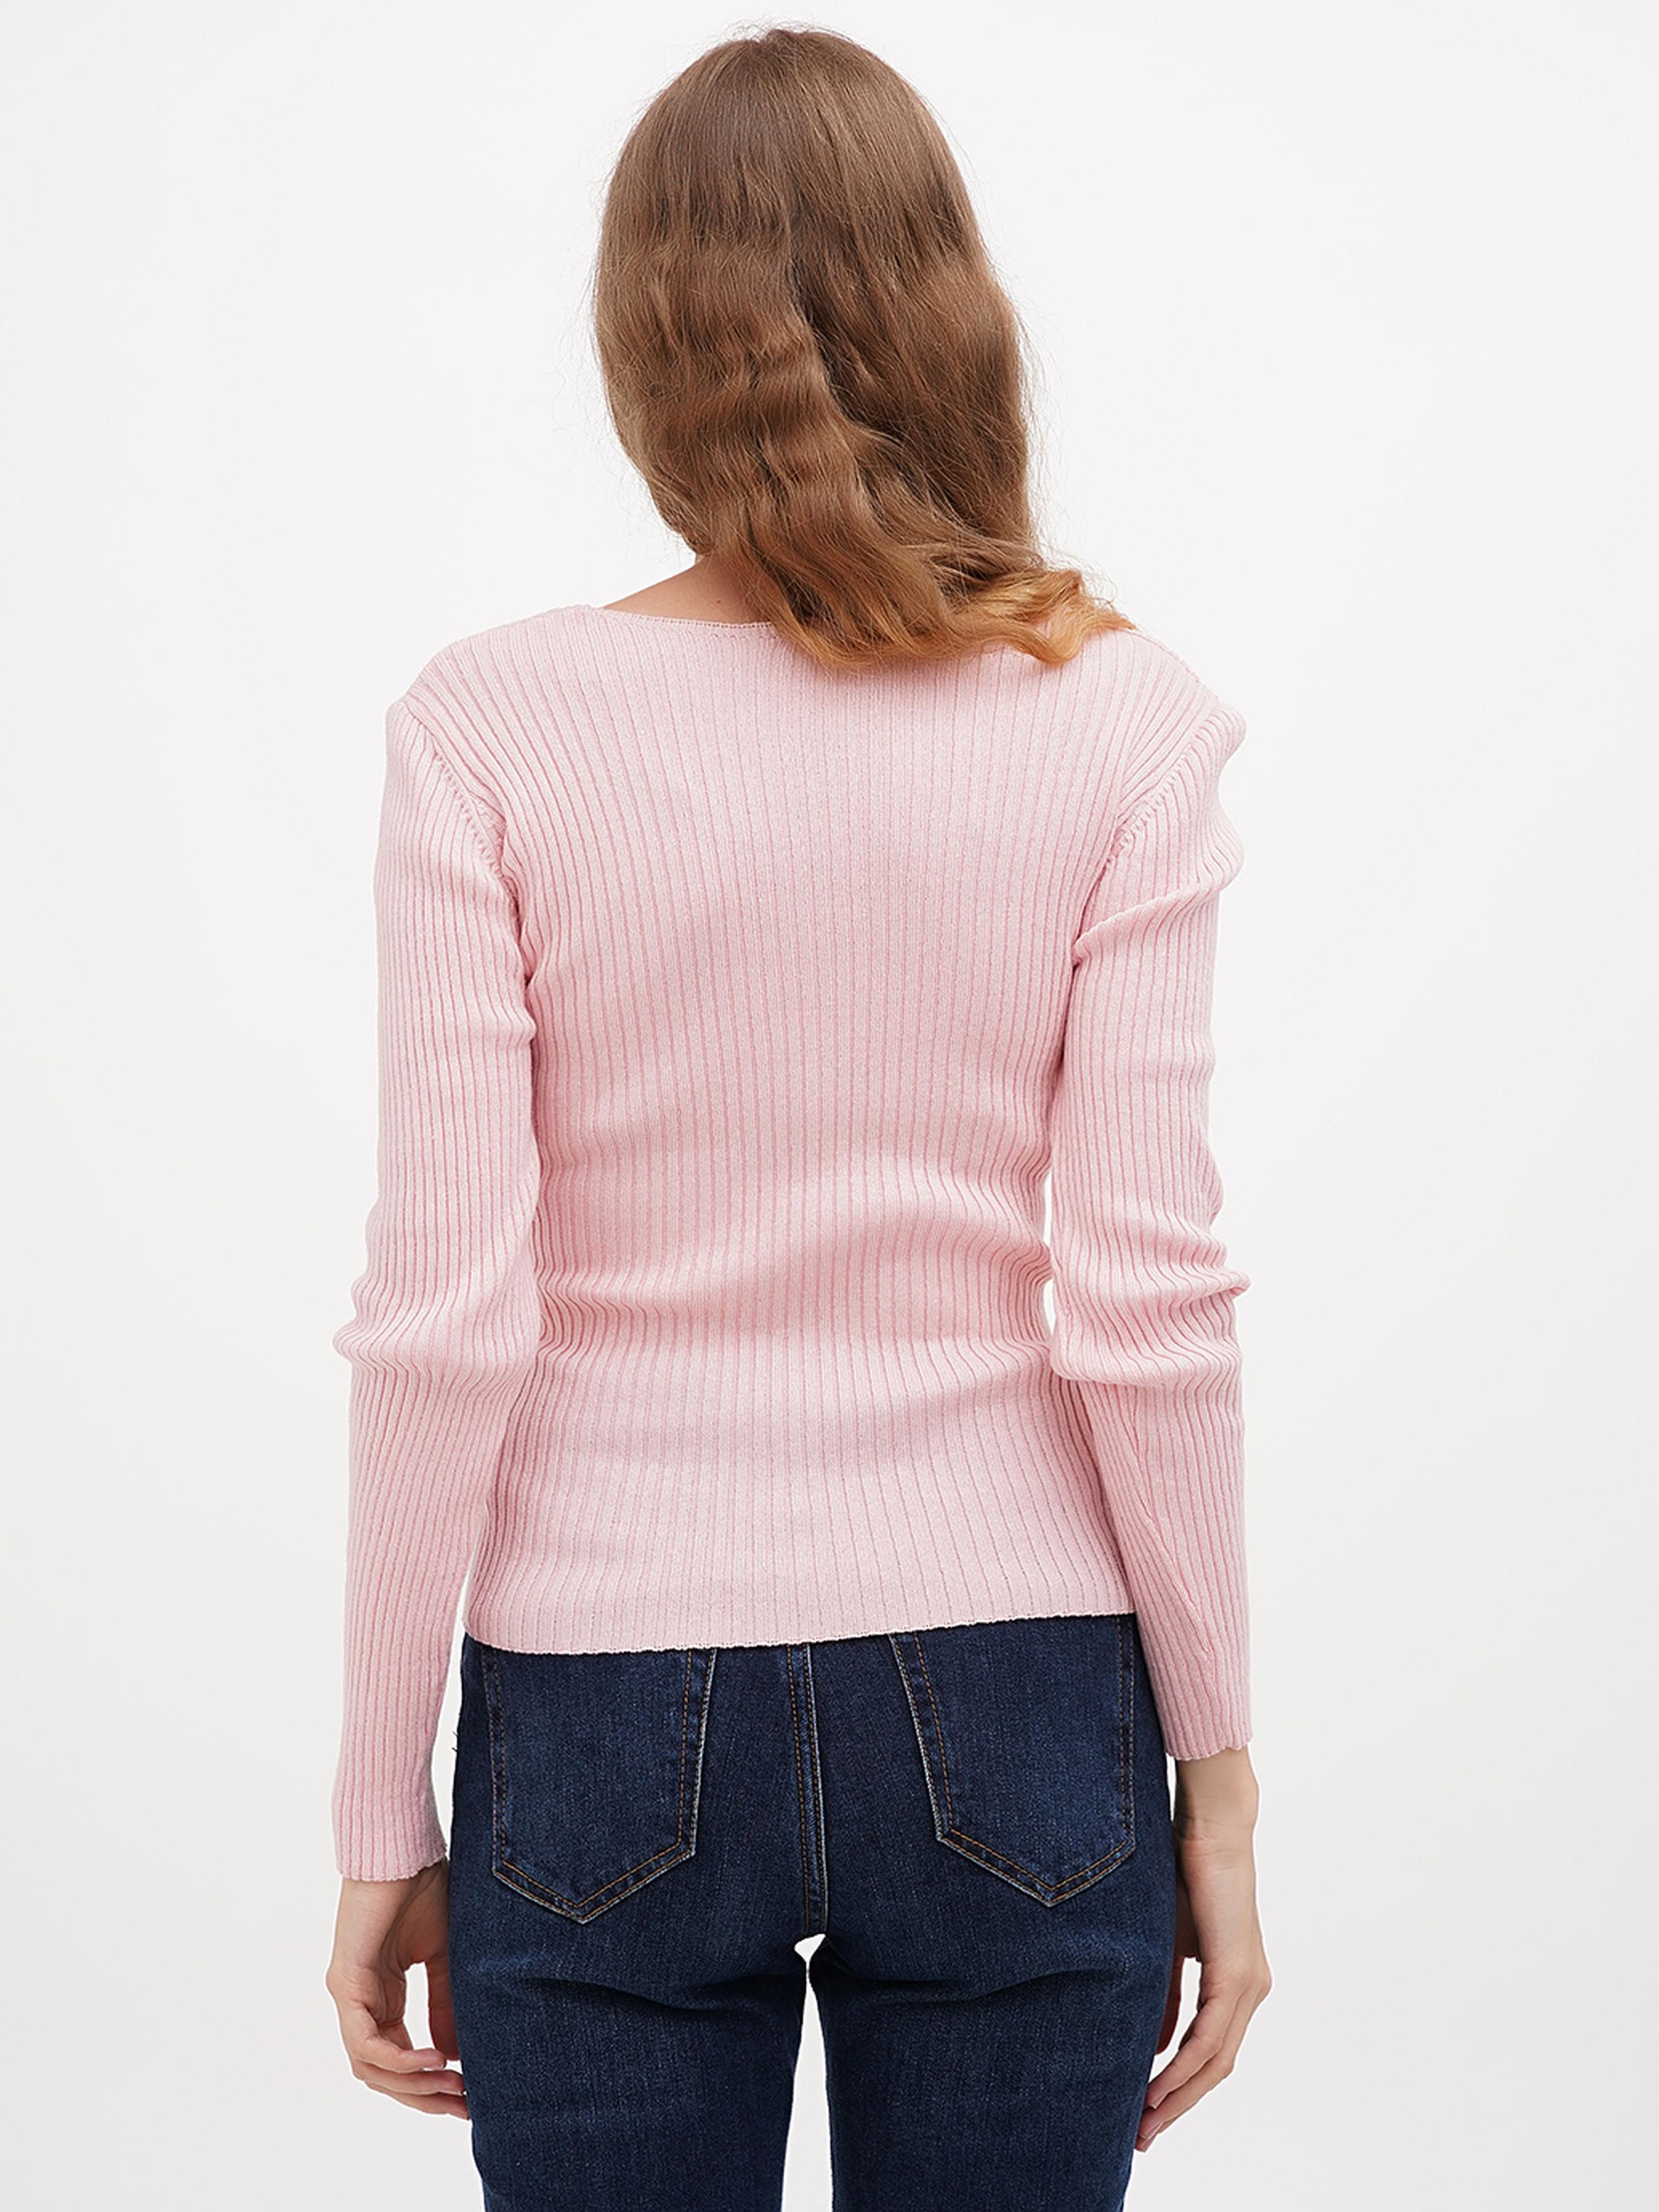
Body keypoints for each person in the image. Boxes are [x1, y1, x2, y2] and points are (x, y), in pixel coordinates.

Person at [324, 25, 1270, 2210]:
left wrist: (384, 1805)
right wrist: (1214, 1786)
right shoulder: (1120, 717)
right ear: (952, 314)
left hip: (598, 1700)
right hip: (1025, 1690)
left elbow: (440, 1320)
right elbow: (1149, 1306)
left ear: (643, 349)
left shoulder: (490, 726)